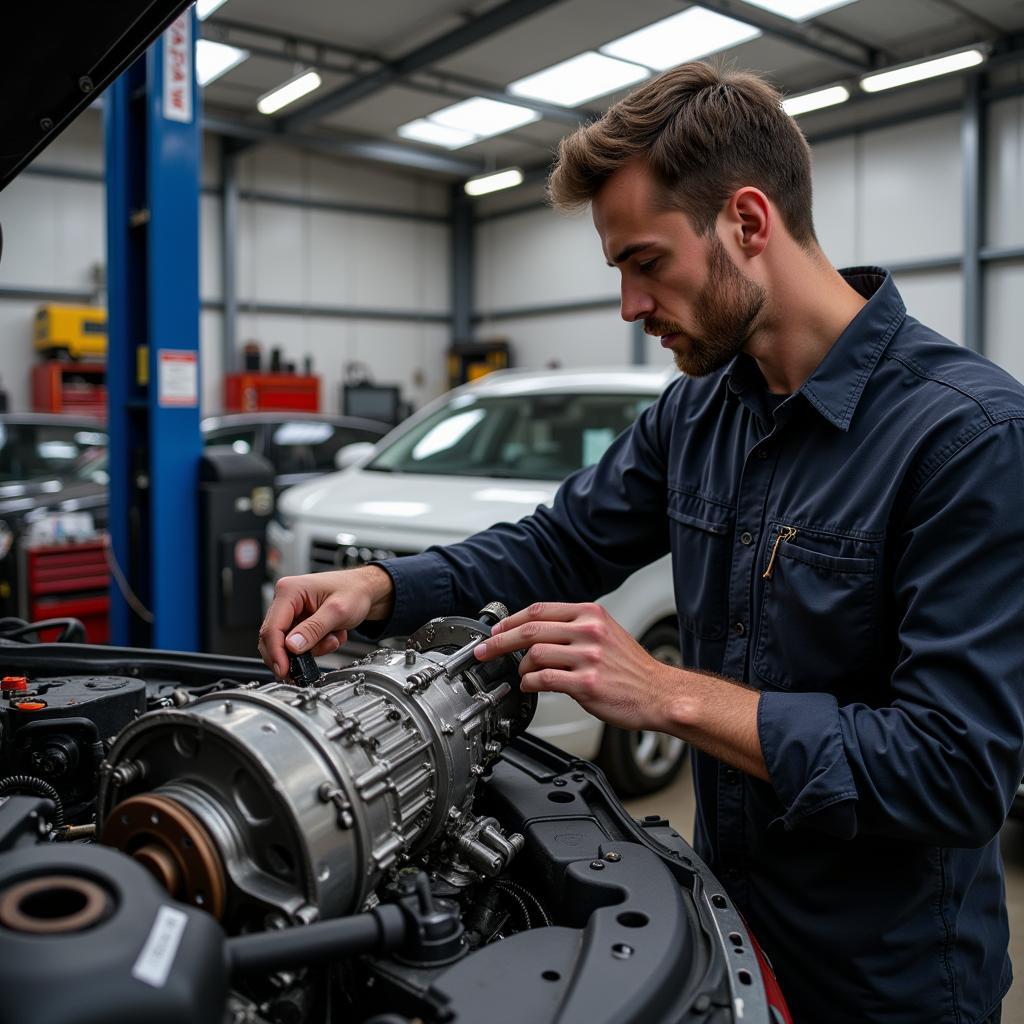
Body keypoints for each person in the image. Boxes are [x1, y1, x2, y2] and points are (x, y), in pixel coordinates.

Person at [259, 61, 1024, 1024]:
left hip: (889, 982)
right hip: (723, 928)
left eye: (647, 262)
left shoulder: (967, 437)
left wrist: (667, 695)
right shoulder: (698, 414)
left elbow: (953, 772)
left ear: (748, 222)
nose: (629, 304)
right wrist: (375, 584)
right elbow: (559, 543)